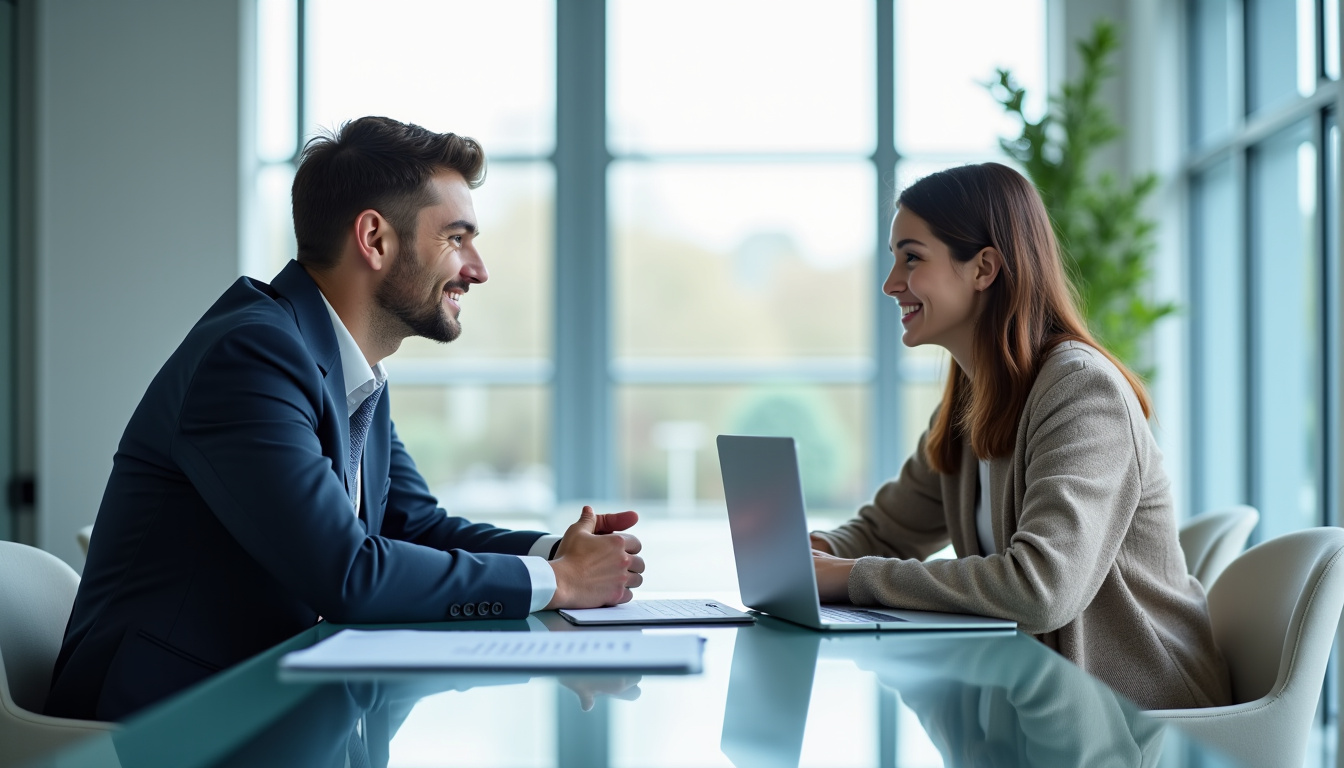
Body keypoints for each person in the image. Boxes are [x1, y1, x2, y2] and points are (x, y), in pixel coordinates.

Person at [46, 116, 645, 722]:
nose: (478, 268)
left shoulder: (348, 369)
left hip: (269, 706)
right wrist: (560, 582)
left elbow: (416, 528)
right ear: (375, 239)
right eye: (455, 239)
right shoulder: (251, 356)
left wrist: (558, 553)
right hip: (161, 726)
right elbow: (349, 573)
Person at [809, 162, 1231, 711]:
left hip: (1138, 719)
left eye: (911, 258)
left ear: (983, 268)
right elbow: (884, 532)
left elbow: (1040, 589)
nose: (890, 283)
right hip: (1039, 706)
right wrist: (813, 554)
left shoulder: (1082, 392)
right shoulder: (972, 399)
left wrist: (849, 578)